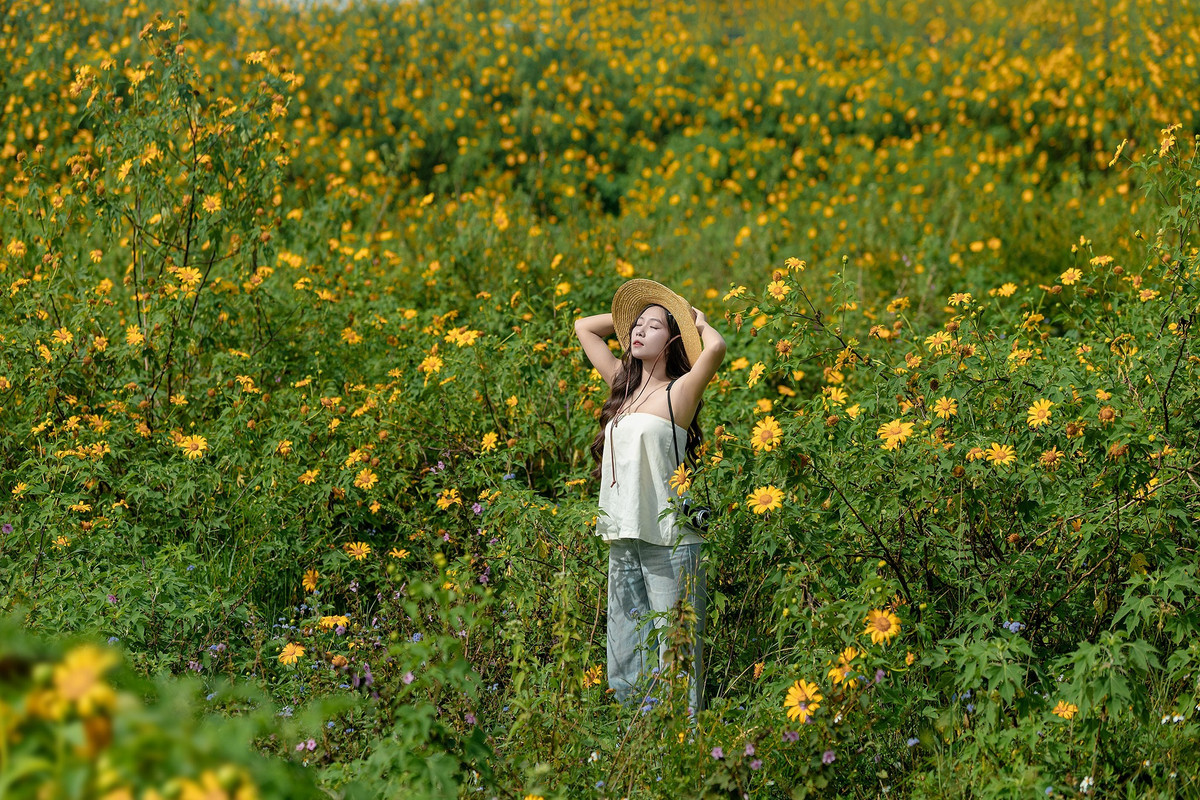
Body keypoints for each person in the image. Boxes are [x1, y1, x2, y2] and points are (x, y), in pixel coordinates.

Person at [574, 278, 727, 713]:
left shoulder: (678, 393)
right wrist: (634, 316)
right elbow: (584, 327)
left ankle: (679, 742)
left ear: (674, 339)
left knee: (674, 651)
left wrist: (689, 316)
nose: (637, 332)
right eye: (634, 326)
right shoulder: (623, 386)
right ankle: (632, 739)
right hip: (624, 531)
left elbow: (714, 348)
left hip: (671, 540)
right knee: (624, 645)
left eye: (652, 326)